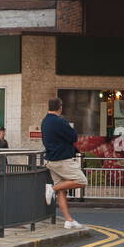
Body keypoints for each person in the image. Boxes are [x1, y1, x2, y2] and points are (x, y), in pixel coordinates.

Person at [42, 97, 87, 230]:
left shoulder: (45, 121)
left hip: (50, 160)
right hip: (62, 160)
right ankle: (51, 189)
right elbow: (74, 137)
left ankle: (68, 220)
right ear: (60, 108)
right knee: (82, 181)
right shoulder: (59, 121)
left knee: (62, 191)